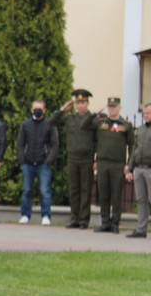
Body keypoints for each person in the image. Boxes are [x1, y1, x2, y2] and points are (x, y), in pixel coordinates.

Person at [50, 89, 99, 228]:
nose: (80, 105)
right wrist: (62, 109)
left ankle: (83, 220)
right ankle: (74, 219)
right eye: (78, 102)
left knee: (85, 190)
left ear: (87, 103)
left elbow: (98, 141)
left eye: (83, 102)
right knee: (74, 190)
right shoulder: (69, 118)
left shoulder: (93, 120)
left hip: (87, 159)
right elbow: (51, 122)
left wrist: (97, 159)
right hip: (72, 158)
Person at [93, 97, 134, 233]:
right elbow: (85, 126)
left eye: (114, 106)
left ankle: (115, 223)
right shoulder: (101, 123)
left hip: (118, 164)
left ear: (119, 108)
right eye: (110, 106)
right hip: (102, 163)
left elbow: (132, 146)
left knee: (116, 196)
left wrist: (129, 164)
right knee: (103, 194)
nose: (112, 109)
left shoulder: (126, 125)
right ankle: (105, 223)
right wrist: (95, 113)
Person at [16, 99, 59, 226]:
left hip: (43, 163)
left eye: (40, 108)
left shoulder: (50, 124)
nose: (37, 110)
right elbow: (20, 143)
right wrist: (22, 160)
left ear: (44, 110)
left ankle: (46, 216)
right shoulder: (25, 124)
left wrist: (48, 160)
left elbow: (55, 145)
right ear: (31, 109)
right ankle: (25, 215)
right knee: (26, 190)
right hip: (28, 163)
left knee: (45, 191)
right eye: (35, 108)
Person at [125, 102, 151, 238]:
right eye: (144, 113)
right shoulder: (140, 130)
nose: (146, 115)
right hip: (139, 169)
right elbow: (135, 149)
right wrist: (130, 169)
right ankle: (141, 229)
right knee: (141, 200)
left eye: (149, 113)